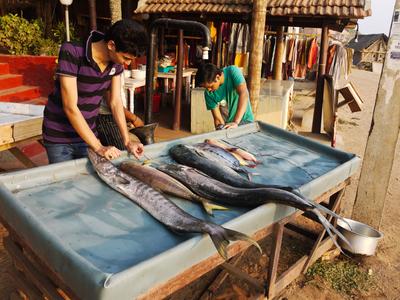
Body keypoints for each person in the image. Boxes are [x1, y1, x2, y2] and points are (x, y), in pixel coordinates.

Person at [42, 19, 147, 163]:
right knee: (66, 184)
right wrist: (99, 147)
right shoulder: (72, 52)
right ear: (111, 45)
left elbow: (115, 102)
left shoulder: (116, 64)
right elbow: (70, 107)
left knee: (88, 182)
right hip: (60, 135)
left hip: (88, 134)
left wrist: (127, 141)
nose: (127, 63)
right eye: (126, 58)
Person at [195, 63, 254, 130]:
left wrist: (235, 122)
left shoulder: (232, 71)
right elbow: (218, 120)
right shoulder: (208, 93)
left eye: (210, 86)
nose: (209, 90)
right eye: (206, 88)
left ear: (217, 77)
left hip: (245, 121)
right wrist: (220, 131)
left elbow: (244, 93)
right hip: (228, 126)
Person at [97, 72, 144, 150]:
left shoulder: (117, 68)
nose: (128, 62)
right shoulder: (111, 69)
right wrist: (134, 119)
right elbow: (113, 102)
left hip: (113, 115)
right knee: (121, 153)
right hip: (106, 117)